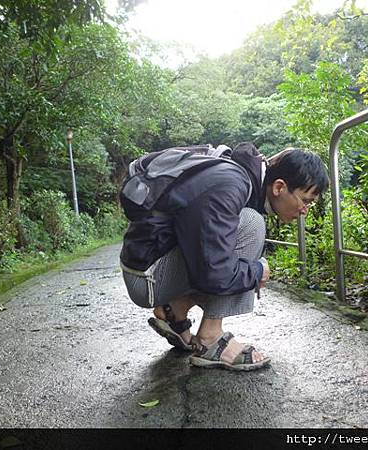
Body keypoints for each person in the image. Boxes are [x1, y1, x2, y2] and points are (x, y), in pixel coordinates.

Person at [120, 142, 329, 371]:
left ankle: (174, 311)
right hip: (148, 278)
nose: (305, 210)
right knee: (252, 224)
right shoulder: (232, 183)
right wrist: (257, 271)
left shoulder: (237, 178)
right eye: (305, 200)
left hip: (148, 268)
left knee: (242, 238)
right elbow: (213, 272)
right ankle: (210, 339)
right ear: (279, 187)